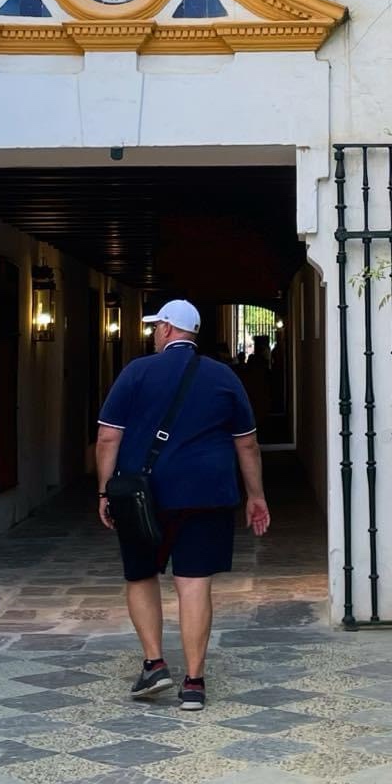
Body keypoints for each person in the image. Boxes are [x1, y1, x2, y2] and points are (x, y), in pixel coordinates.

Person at [96, 299, 269, 710]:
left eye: (156, 327)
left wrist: (105, 491)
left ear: (168, 329)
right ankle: (194, 682)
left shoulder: (136, 372)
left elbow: (107, 437)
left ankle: (155, 664)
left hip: (143, 496)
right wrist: (256, 495)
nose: (154, 334)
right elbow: (246, 443)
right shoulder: (224, 376)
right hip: (207, 494)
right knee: (194, 582)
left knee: (141, 576)